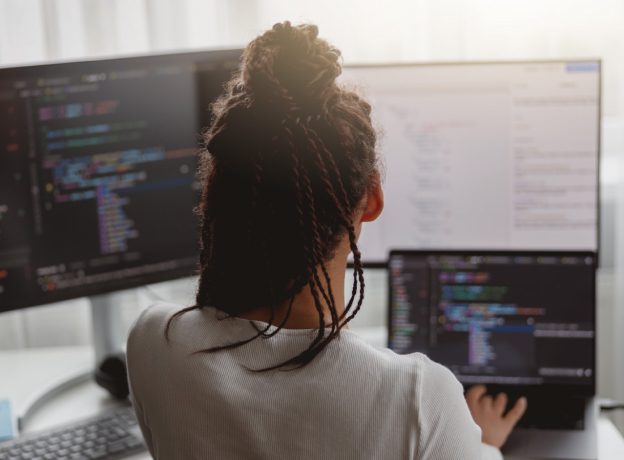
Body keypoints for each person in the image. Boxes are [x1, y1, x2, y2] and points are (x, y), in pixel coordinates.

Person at [127, 21, 526, 459]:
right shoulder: (417, 399)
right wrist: (485, 444)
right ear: (371, 199)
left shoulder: (154, 342)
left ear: (221, 198)